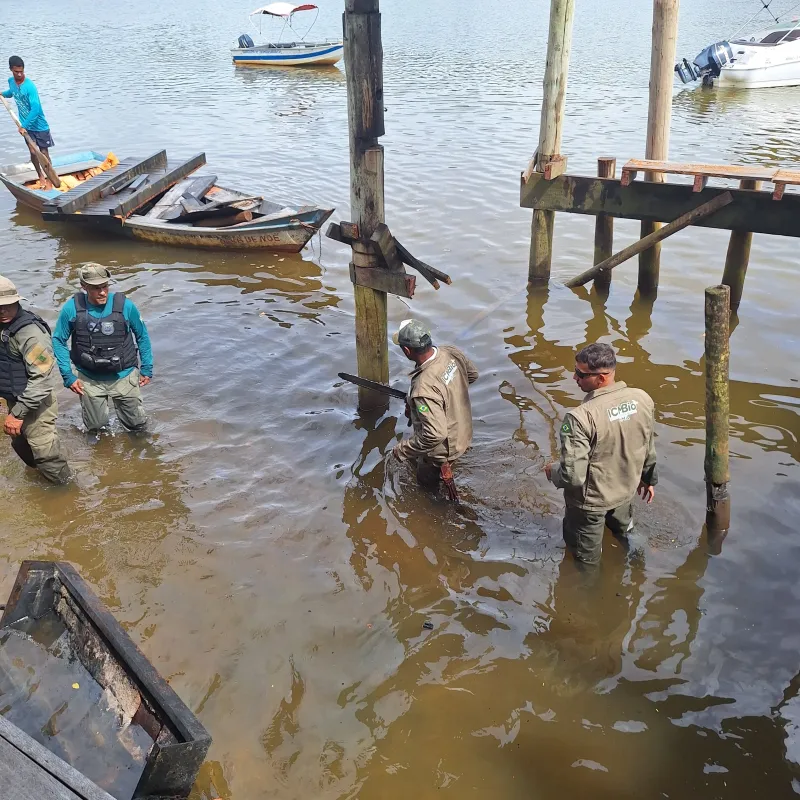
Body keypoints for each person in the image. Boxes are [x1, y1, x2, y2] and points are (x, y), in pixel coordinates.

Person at [545, 343, 657, 567]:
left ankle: (588, 596)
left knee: (585, 561)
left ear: (602, 378)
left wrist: (552, 471)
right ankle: (641, 571)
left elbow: (573, 476)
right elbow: (648, 445)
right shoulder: (642, 399)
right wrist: (648, 479)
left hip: (590, 504)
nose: (574, 378)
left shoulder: (579, 418)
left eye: (580, 374)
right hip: (625, 490)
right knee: (628, 534)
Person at [52, 264, 153, 434]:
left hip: (124, 375)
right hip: (90, 378)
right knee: (96, 430)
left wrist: (147, 368)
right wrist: (67, 375)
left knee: (138, 428)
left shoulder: (126, 306)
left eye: (105, 286)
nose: (102, 292)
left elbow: (142, 336)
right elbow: (58, 340)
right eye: (95, 288)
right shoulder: (71, 308)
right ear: (84, 287)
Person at [391, 319, 478, 493]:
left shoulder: (423, 388)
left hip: (441, 450)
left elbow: (435, 434)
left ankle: (443, 509)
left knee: (428, 491)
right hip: (463, 433)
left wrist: (401, 450)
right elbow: (472, 375)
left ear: (407, 351)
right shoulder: (450, 352)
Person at [0, 276, 71, 483]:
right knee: (21, 446)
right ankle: (42, 480)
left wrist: (18, 413)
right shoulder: (4, 326)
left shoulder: (31, 334)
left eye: (8, 305)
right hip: (15, 397)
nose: (3, 311)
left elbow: (42, 379)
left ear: (17, 302)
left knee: (46, 455)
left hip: (36, 402)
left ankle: (66, 493)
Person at [2, 56, 55, 188]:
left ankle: (50, 181)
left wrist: (23, 126)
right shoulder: (11, 82)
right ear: (11, 70)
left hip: (40, 126)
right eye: (16, 72)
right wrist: (3, 94)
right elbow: (12, 92)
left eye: (21, 71)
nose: (19, 74)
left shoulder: (30, 86)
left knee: (44, 153)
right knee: (32, 152)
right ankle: (40, 176)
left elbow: (36, 109)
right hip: (26, 127)